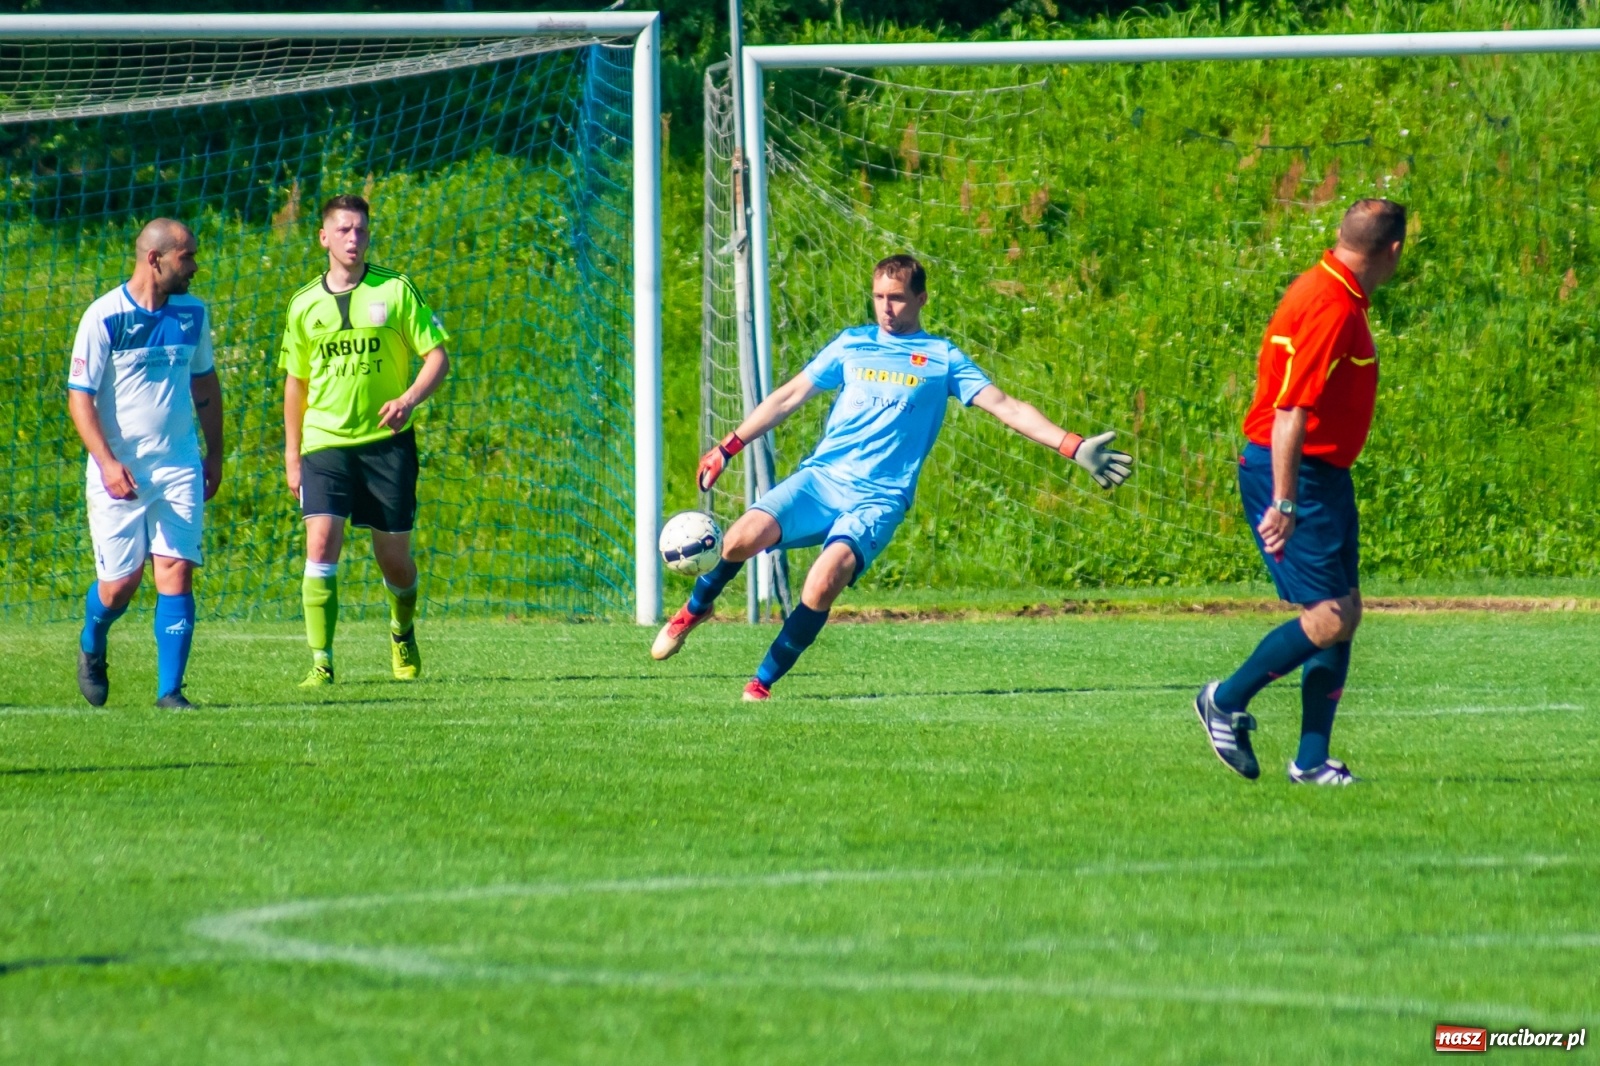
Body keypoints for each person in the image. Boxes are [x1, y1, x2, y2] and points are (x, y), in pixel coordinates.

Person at [651, 253, 1133, 699]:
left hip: (879, 499)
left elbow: (1006, 407)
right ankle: (696, 609)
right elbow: (788, 396)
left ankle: (760, 683)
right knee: (738, 539)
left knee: (821, 584)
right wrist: (727, 446)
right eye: (879, 296)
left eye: (897, 297)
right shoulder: (851, 344)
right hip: (821, 480)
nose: (887, 307)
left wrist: (1072, 445)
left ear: (921, 298)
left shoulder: (943, 358)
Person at [1194, 198, 1407, 785]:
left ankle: (1311, 762)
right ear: (1392, 251)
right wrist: (1284, 502)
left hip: (1323, 475)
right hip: (1292, 472)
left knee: (1346, 611)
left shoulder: (1332, 289)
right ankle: (1226, 700)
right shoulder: (1329, 304)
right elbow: (1290, 410)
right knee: (1329, 615)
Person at [279, 195, 450, 686]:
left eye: (362, 230)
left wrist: (409, 399)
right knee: (321, 541)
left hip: (386, 443)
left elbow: (436, 357)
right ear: (324, 237)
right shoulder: (303, 303)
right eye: (345, 230)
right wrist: (292, 454)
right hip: (324, 442)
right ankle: (321, 661)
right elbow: (296, 382)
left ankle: (402, 630)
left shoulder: (395, 290)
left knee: (393, 559)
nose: (355, 239)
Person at [68, 218, 225, 710]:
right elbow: (80, 399)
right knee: (119, 588)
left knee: (176, 569)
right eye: (187, 257)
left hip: (177, 465)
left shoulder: (193, 315)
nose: (195, 266)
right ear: (155, 259)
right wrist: (108, 462)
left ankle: (170, 693)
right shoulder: (104, 316)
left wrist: (215, 452)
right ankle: (93, 643)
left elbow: (205, 385)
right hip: (120, 471)